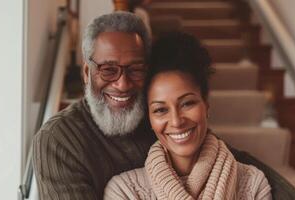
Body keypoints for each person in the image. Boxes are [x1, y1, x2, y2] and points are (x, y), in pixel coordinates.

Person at [104, 31, 273, 199]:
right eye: (161, 110)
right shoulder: (124, 191)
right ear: (149, 117)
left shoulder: (253, 184)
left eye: (187, 103)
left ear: (206, 104)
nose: (176, 121)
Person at [32, 11, 156, 199]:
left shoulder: (164, 120)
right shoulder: (58, 139)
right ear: (86, 73)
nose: (122, 84)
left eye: (135, 69)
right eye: (108, 70)